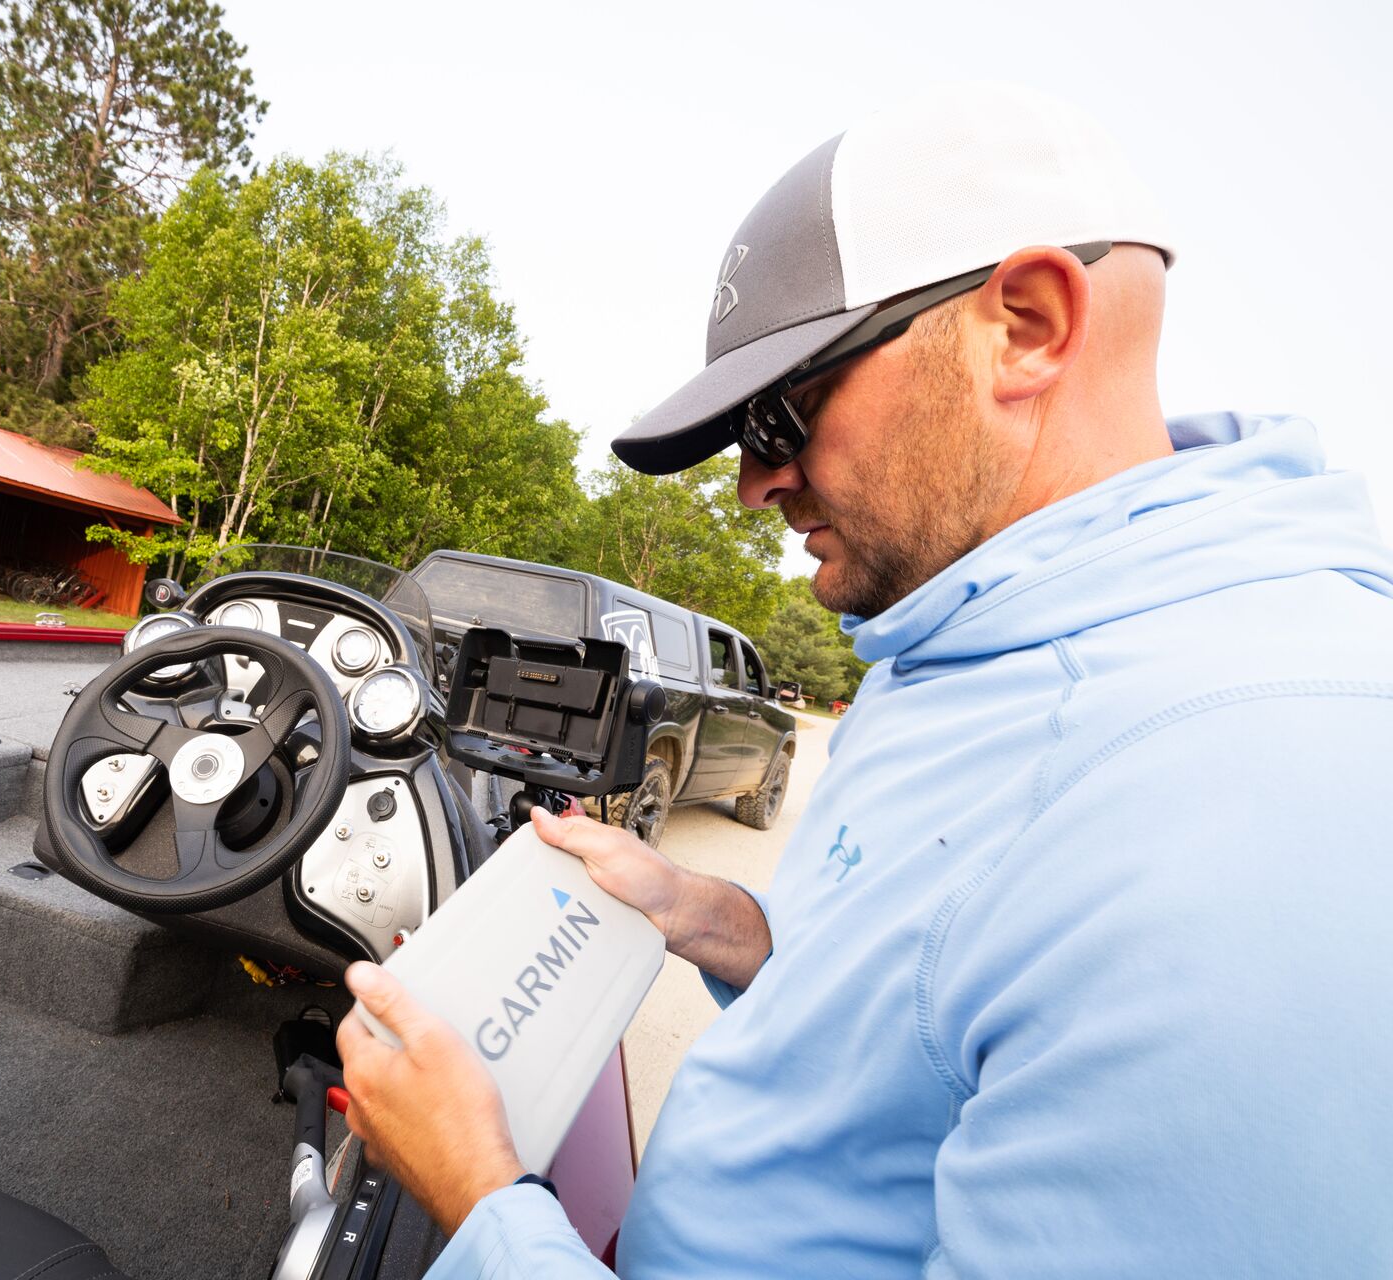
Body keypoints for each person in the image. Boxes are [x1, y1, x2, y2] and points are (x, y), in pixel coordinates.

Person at [336, 82, 1393, 1278]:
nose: (750, 483)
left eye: (780, 413)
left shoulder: (1261, 810)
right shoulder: (963, 624)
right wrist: (703, 914)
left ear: (1030, 326)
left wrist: (482, 1199)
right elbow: (927, 1013)